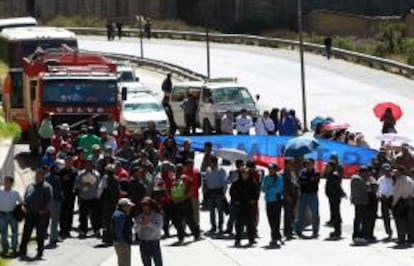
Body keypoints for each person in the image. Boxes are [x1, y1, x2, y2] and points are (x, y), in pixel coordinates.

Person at [20, 169, 52, 260]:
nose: (37, 177)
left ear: (43, 176)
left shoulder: (47, 187)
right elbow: (25, 196)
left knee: (40, 234)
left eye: (39, 176)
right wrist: (24, 205)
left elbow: (49, 201)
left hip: (40, 214)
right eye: (36, 175)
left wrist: (44, 210)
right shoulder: (30, 185)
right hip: (29, 213)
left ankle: (40, 252)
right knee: (26, 233)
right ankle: (22, 251)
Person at [170, 164, 200, 243]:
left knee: (188, 219)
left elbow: (192, 188)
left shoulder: (185, 178)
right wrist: (173, 198)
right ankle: (181, 236)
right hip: (179, 202)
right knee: (179, 220)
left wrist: (185, 197)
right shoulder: (174, 179)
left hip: (183, 201)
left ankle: (195, 234)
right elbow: (169, 189)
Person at [230, 167, 259, 247]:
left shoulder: (252, 182)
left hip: (249, 206)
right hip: (240, 206)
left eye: (246, 173)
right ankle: (238, 240)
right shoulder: (236, 183)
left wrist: (254, 200)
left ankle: (251, 239)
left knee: (250, 223)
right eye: (243, 173)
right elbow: (231, 192)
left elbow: (256, 193)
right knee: (239, 224)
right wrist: (235, 200)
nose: (244, 175)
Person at [75, 158, 101, 238]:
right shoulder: (80, 174)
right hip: (84, 197)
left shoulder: (97, 174)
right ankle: (83, 231)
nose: (88, 166)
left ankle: (96, 230)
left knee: (95, 215)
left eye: (90, 165)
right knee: (83, 216)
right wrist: (84, 185)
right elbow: (76, 185)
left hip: (94, 198)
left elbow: (99, 186)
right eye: (87, 165)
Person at [295, 159, 320, 238]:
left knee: (315, 214)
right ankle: (299, 230)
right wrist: (309, 180)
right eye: (307, 164)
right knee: (300, 213)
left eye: (310, 164)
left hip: (313, 195)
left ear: (313, 164)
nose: (308, 165)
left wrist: (306, 180)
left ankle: (315, 231)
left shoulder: (316, 172)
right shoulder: (302, 172)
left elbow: (315, 182)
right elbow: (300, 181)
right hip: (303, 195)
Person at [261, 163, 284, 247]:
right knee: (270, 219)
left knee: (276, 220)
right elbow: (263, 188)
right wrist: (269, 189)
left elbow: (278, 189)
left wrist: (269, 188)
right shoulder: (266, 178)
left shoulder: (279, 178)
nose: (270, 170)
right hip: (269, 201)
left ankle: (274, 237)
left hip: (277, 201)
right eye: (269, 169)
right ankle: (277, 235)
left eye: (272, 169)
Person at [136, 197, 163, 266]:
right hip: (143, 242)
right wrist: (140, 225)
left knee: (158, 263)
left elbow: (158, 229)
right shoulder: (139, 216)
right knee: (146, 263)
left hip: (154, 242)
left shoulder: (157, 215)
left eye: (146, 206)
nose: (144, 208)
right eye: (143, 206)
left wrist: (148, 223)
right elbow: (136, 230)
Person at [0, 176, 22, 257]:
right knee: (3, 233)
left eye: (7, 181)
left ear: (11, 183)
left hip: (12, 215)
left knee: (14, 233)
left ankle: (14, 249)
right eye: (5, 180)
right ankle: (5, 249)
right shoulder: (0, 190)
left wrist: (21, 210)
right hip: (2, 215)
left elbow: (21, 202)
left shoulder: (15, 192)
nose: (5, 182)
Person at [392, 165, 414, 247]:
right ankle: (411, 238)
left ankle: (401, 239)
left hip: (400, 202)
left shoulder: (399, 181)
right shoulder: (410, 180)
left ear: (400, 172)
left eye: (396, 171)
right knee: (409, 222)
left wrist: (393, 204)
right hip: (409, 201)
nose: (395, 173)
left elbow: (397, 194)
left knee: (400, 222)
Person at [205, 156, 227, 234]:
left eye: (211, 162)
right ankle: (213, 226)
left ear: (215, 162)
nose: (210, 164)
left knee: (220, 211)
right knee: (211, 211)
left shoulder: (221, 170)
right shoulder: (208, 170)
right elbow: (207, 181)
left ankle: (220, 226)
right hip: (210, 192)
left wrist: (223, 193)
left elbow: (224, 182)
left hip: (218, 192)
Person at [99, 164, 120, 244]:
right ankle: (112, 237)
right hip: (113, 201)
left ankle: (107, 238)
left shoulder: (105, 179)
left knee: (106, 219)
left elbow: (100, 189)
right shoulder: (116, 179)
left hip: (106, 201)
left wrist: (98, 198)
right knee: (112, 219)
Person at [324, 162, 345, 238]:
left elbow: (337, 186)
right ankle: (336, 230)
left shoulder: (334, 175)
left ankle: (337, 231)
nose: (326, 168)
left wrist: (340, 193)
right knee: (334, 213)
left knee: (336, 213)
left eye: (328, 167)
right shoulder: (330, 174)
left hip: (334, 197)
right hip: (332, 197)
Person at [350, 166, 371, 244]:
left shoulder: (357, 178)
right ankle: (357, 235)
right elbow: (365, 188)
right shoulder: (357, 179)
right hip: (360, 202)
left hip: (361, 201)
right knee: (359, 219)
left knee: (360, 219)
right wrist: (368, 183)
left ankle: (359, 234)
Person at [112, 198, 134, 266]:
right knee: (124, 263)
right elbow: (119, 230)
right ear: (123, 206)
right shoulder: (120, 215)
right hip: (122, 242)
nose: (130, 208)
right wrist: (123, 241)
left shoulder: (121, 214)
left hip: (122, 241)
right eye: (128, 206)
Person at [59, 158, 77, 238]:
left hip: (71, 194)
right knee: (62, 212)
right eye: (67, 161)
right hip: (63, 193)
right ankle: (63, 229)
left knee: (70, 211)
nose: (69, 163)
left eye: (70, 161)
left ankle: (68, 228)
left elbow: (76, 181)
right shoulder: (61, 171)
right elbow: (60, 181)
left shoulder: (74, 171)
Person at [281, 158, 299, 240]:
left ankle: (290, 230)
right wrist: (287, 196)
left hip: (294, 196)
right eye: (291, 164)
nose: (292, 165)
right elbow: (283, 187)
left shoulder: (292, 173)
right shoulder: (283, 174)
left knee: (292, 215)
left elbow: (295, 183)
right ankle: (287, 232)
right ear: (286, 164)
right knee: (288, 215)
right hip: (287, 197)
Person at [46, 166, 63, 246]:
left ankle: (55, 235)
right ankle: (53, 237)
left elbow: (60, 188)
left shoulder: (57, 177)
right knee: (54, 218)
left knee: (57, 219)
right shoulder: (48, 178)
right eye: (56, 169)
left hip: (58, 199)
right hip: (51, 200)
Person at [377, 163, 394, 240]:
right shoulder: (380, 179)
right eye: (385, 170)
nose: (387, 172)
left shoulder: (394, 178)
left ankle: (400, 233)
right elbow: (378, 190)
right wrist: (380, 195)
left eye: (388, 170)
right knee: (385, 216)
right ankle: (389, 232)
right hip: (384, 199)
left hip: (393, 198)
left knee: (397, 216)